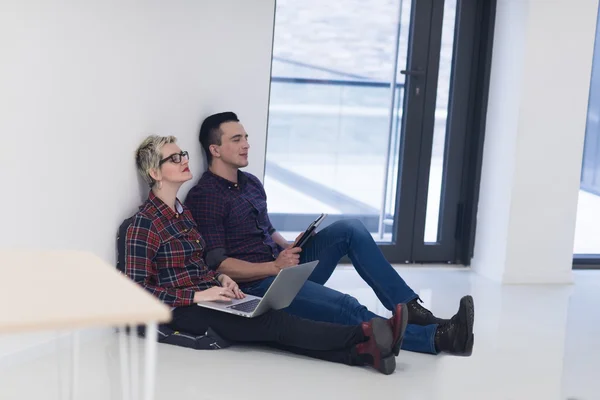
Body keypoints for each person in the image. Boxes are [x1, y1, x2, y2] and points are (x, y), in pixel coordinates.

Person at [185, 112, 475, 356]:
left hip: (282, 266)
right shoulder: (205, 196)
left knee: (350, 229)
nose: (246, 144)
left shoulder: (250, 182)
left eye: (246, 137)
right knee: (345, 306)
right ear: (215, 149)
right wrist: (274, 267)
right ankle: (439, 339)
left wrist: (286, 244)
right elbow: (219, 265)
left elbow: (264, 225)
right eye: (237, 140)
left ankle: (410, 309)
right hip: (260, 286)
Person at [124, 134, 409, 375]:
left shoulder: (181, 213)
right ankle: (365, 333)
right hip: (180, 312)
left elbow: (197, 265)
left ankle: (361, 354)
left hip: (209, 296)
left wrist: (222, 279)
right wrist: (198, 296)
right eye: (174, 159)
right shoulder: (144, 224)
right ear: (155, 173)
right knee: (273, 322)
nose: (184, 160)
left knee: (270, 329)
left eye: (183, 154)